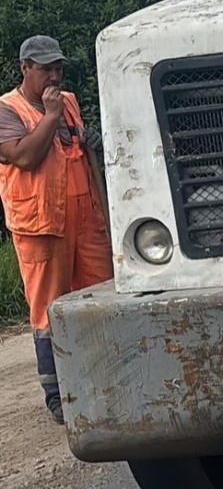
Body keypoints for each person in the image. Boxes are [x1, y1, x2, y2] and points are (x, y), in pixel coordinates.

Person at [0, 36, 112, 425]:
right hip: (41, 225)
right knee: (49, 311)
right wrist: (49, 116)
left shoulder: (70, 101)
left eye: (58, 68)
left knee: (99, 300)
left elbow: (76, 147)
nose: (54, 76)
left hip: (85, 219)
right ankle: (58, 397)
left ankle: (107, 381)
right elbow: (26, 157)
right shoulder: (6, 110)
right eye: (45, 68)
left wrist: (88, 137)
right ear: (24, 68)